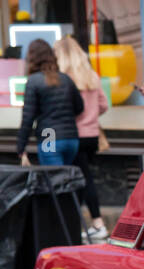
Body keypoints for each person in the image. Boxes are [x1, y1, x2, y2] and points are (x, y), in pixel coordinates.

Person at [53, 36, 108, 241]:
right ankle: (95, 223)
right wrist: (91, 117)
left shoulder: (62, 78)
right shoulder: (91, 75)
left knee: (74, 179)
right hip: (92, 135)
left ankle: (86, 224)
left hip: (70, 135)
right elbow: (103, 105)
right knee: (86, 178)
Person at [16, 38, 83, 168]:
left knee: (54, 180)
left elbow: (28, 118)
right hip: (71, 138)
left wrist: (21, 147)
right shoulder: (65, 78)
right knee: (63, 180)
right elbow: (79, 107)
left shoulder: (34, 81)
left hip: (49, 135)